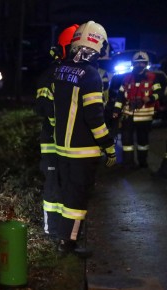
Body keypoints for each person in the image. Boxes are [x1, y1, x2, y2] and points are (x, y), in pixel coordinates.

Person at [51, 20, 116, 257]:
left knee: (66, 194)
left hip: (62, 149)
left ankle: (61, 237)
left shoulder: (60, 71)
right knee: (77, 199)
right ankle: (70, 243)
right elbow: (95, 118)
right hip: (83, 151)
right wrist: (108, 146)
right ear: (96, 44)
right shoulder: (90, 75)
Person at [34, 24, 78, 240]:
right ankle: (53, 233)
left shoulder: (81, 75)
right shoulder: (50, 76)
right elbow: (42, 106)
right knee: (53, 189)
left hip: (73, 146)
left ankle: (68, 236)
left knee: (71, 188)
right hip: (53, 144)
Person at [112, 51, 163, 168]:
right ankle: (128, 163)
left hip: (145, 117)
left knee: (143, 142)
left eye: (142, 63)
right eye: (137, 63)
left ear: (146, 64)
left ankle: (142, 163)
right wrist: (116, 110)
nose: (139, 65)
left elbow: (159, 93)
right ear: (132, 64)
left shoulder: (153, 78)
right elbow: (120, 96)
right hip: (128, 115)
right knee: (127, 142)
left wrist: (149, 98)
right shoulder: (127, 78)